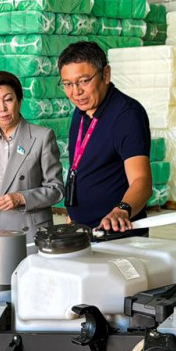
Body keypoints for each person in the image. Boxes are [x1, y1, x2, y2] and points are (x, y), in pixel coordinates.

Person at [58, 41, 153, 233]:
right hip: (83, 232)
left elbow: (141, 181)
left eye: (84, 81)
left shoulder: (127, 115)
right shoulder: (80, 111)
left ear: (106, 74)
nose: (76, 92)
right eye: (68, 84)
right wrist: (73, 215)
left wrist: (122, 210)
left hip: (116, 233)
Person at [0, 71, 64, 257]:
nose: (2, 108)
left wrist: (21, 198)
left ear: (19, 101)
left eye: (8, 100)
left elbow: (56, 189)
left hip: (26, 230)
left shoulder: (41, 137)